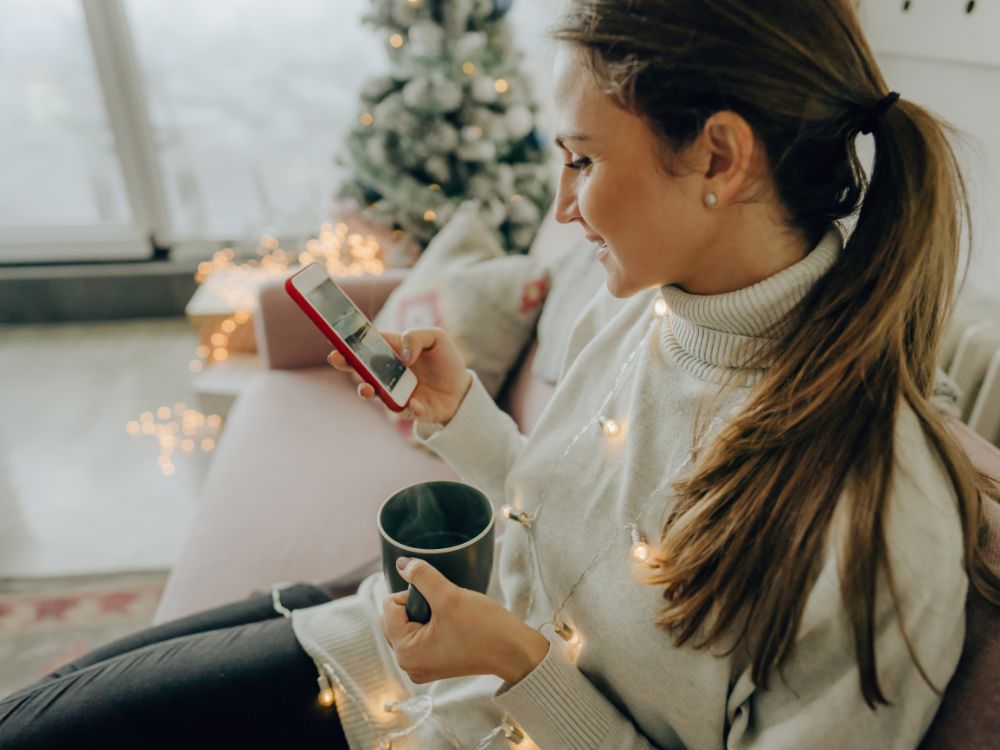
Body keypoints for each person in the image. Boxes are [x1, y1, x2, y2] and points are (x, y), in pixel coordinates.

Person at [2, 1, 998, 747]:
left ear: (721, 157)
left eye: (581, 161)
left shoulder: (878, 516)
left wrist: (520, 666)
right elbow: (575, 526)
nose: (563, 209)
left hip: (454, 708)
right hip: (407, 665)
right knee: (40, 711)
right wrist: (465, 421)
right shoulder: (650, 314)